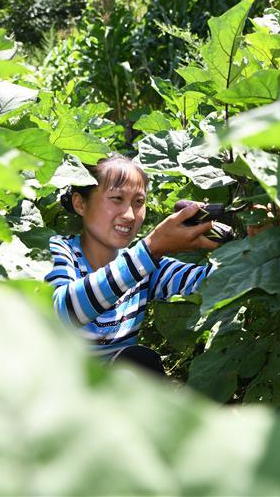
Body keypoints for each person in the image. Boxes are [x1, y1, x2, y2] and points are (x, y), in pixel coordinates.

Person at [44, 154, 219, 374]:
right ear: (80, 203)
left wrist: (251, 243)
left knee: (139, 361)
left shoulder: (144, 267)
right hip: (55, 392)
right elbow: (61, 313)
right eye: (117, 198)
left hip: (115, 397)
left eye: (138, 202)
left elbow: (213, 284)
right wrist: (151, 248)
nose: (129, 215)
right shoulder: (56, 251)